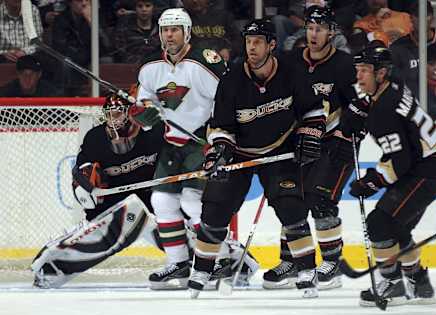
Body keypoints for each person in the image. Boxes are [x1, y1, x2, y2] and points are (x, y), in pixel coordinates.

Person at [187, 18, 324, 299]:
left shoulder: (292, 73)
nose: (252, 47)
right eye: (249, 42)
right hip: (241, 153)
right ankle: (201, 269)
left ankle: (307, 270)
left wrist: (309, 135)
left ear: (272, 45)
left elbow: (313, 111)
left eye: (258, 42)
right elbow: (221, 126)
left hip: (279, 151)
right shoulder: (232, 80)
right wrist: (222, 153)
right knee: (214, 208)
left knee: (291, 209)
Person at [129, 8, 240, 290]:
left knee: (194, 202)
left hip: (203, 141)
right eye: (166, 29)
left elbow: (227, 100)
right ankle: (178, 262)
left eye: (176, 29)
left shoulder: (205, 61)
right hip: (172, 143)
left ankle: (223, 258)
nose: (170, 34)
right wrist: (145, 115)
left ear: (187, 32)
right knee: (162, 202)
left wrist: (220, 138)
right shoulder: (150, 65)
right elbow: (144, 105)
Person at [262, 5, 358, 291]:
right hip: (301, 140)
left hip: (335, 142)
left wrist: (350, 130)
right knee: (291, 197)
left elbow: (359, 104)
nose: (314, 34)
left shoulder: (343, 64)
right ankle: (291, 259)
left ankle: (332, 262)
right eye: (311, 28)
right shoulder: (292, 61)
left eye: (320, 29)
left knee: (321, 199)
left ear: (332, 31)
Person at [348, 45, 436, 307]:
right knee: (397, 226)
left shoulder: (384, 110)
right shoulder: (393, 86)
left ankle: (393, 284)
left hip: (426, 170)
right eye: (357, 70)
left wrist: (371, 181)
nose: (359, 77)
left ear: (381, 73)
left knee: (379, 223)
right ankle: (419, 283)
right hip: (430, 164)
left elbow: (400, 162)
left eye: (365, 71)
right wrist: (361, 108)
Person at [31, 94, 166, 288]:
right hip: (113, 203)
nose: (113, 120)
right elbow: (82, 179)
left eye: (118, 113)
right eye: (109, 115)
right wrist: (87, 185)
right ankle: (53, 268)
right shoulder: (95, 139)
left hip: (151, 198)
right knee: (127, 219)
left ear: (130, 113)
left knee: (169, 221)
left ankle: (199, 259)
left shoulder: (153, 134)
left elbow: (176, 153)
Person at [390, 0, 436, 98]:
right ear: (411, 18)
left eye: (426, 15)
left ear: (432, 18)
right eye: (418, 16)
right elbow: (394, 80)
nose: (422, 19)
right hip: (410, 103)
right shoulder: (399, 47)